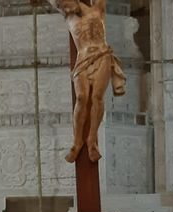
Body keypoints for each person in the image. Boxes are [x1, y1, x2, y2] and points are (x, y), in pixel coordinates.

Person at [48, 0, 125, 163]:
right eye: (62, 6)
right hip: (82, 59)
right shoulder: (68, 18)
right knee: (82, 97)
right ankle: (77, 141)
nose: (65, 7)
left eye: (65, 3)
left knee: (97, 97)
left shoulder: (97, 9)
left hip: (101, 55)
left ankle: (91, 140)